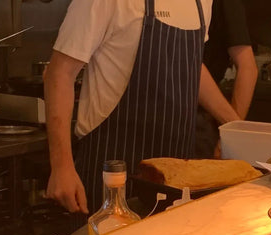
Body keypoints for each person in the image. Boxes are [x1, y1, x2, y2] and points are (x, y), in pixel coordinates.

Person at [43, 0, 241, 216]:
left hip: (176, 175)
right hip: (113, 171)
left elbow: (193, 66)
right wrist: (61, 167)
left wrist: (234, 126)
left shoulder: (201, 2)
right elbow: (60, 73)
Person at [195, 0, 258, 159]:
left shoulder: (225, 4)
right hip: (153, 117)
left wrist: (232, 131)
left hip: (197, 124)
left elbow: (248, 67)